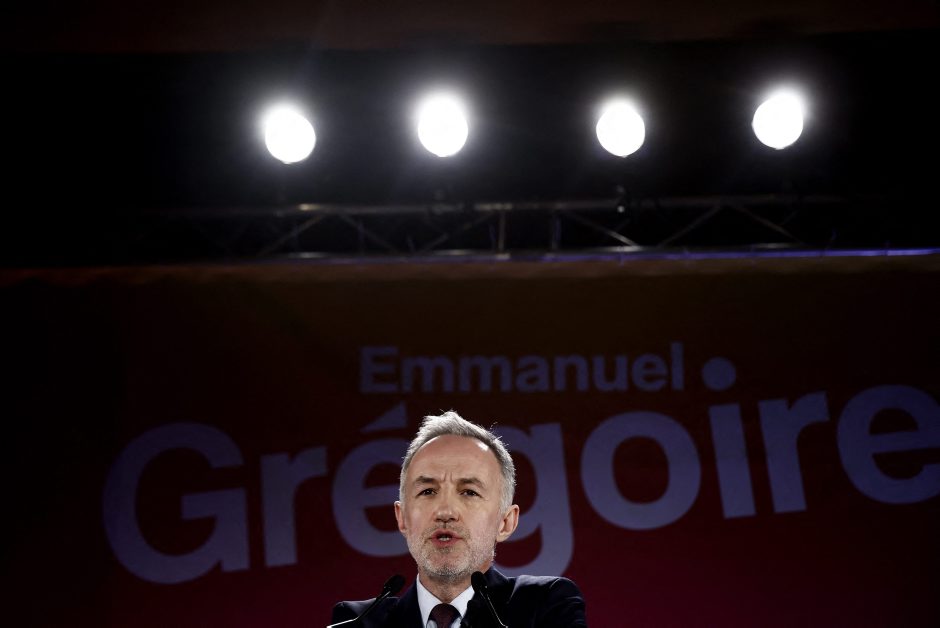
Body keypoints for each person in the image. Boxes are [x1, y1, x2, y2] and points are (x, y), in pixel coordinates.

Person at [331, 411, 587, 627]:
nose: (445, 512)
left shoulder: (546, 605)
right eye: (427, 491)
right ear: (402, 518)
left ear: (506, 522)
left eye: (469, 492)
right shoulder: (358, 621)